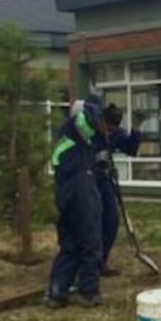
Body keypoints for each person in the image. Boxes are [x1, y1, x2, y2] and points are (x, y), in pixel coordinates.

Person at [46, 94, 106, 309]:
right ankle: (88, 292)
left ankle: (56, 291)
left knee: (69, 246)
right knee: (91, 243)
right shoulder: (77, 126)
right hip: (80, 194)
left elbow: (91, 146)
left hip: (65, 194)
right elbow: (88, 119)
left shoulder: (68, 137)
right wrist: (96, 111)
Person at [92, 104, 142, 276]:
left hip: (105, 182)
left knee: (111, 220)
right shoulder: (90, 132)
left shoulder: (116, 133)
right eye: (107, 128)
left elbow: (131, 149)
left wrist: (136, 129)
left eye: (112, 130)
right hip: (88, 182)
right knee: (93, 222)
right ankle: (89, 265)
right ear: (101, 122)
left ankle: (101, 262)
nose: (109, 132)